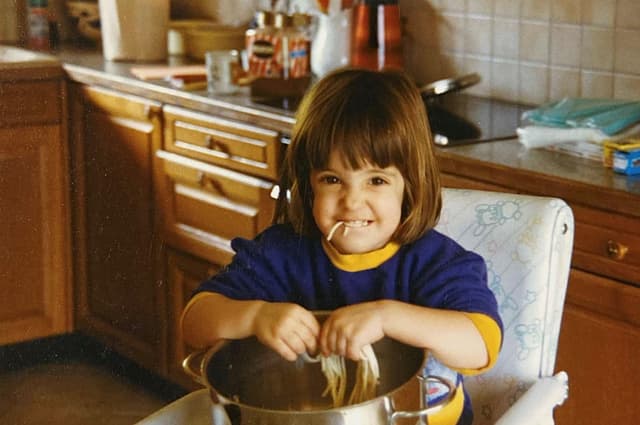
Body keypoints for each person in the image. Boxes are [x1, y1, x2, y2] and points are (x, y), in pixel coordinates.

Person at [181, 68, 503, 425]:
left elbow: (481, 345)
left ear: (410, 186)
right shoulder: (282, 253)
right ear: (308, 184)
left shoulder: (436, 262)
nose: (352, 202)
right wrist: (255, 316)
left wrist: (386, 316)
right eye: (332, 179)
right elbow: (195, 321)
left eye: (376, 180)